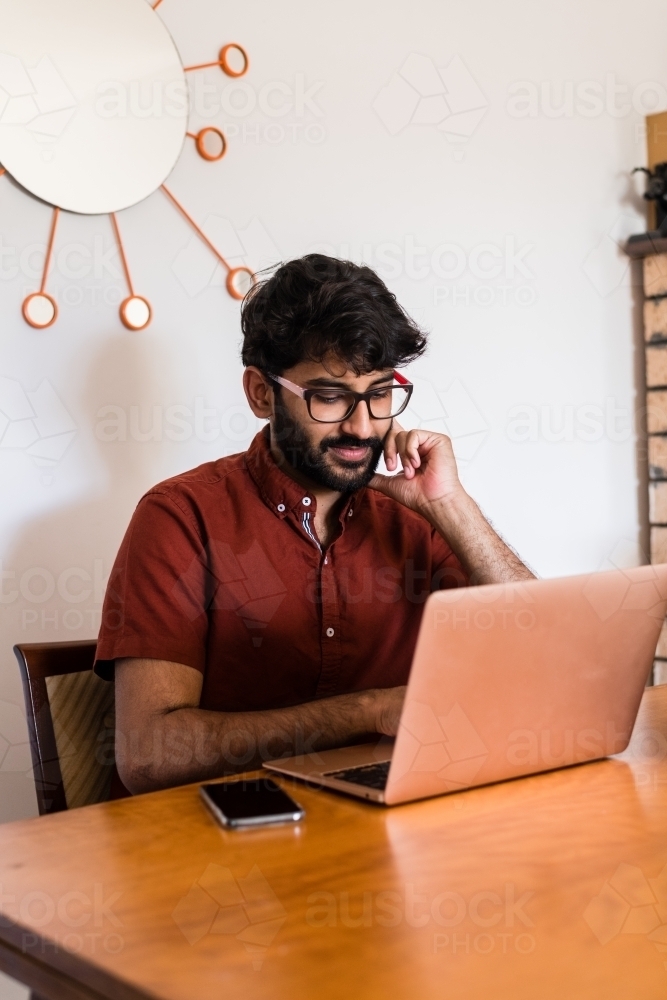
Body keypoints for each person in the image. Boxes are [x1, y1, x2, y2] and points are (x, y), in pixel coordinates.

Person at [95, 255, 533, 794]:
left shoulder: (415, 514)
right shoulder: (180, 516)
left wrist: (452, 506)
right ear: (261, 393)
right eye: (329, 397)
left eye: (379, 393)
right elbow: (149, 756)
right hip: (225, 843)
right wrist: (370, 711)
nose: (363, 425)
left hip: (402, 823)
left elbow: (541, 664)